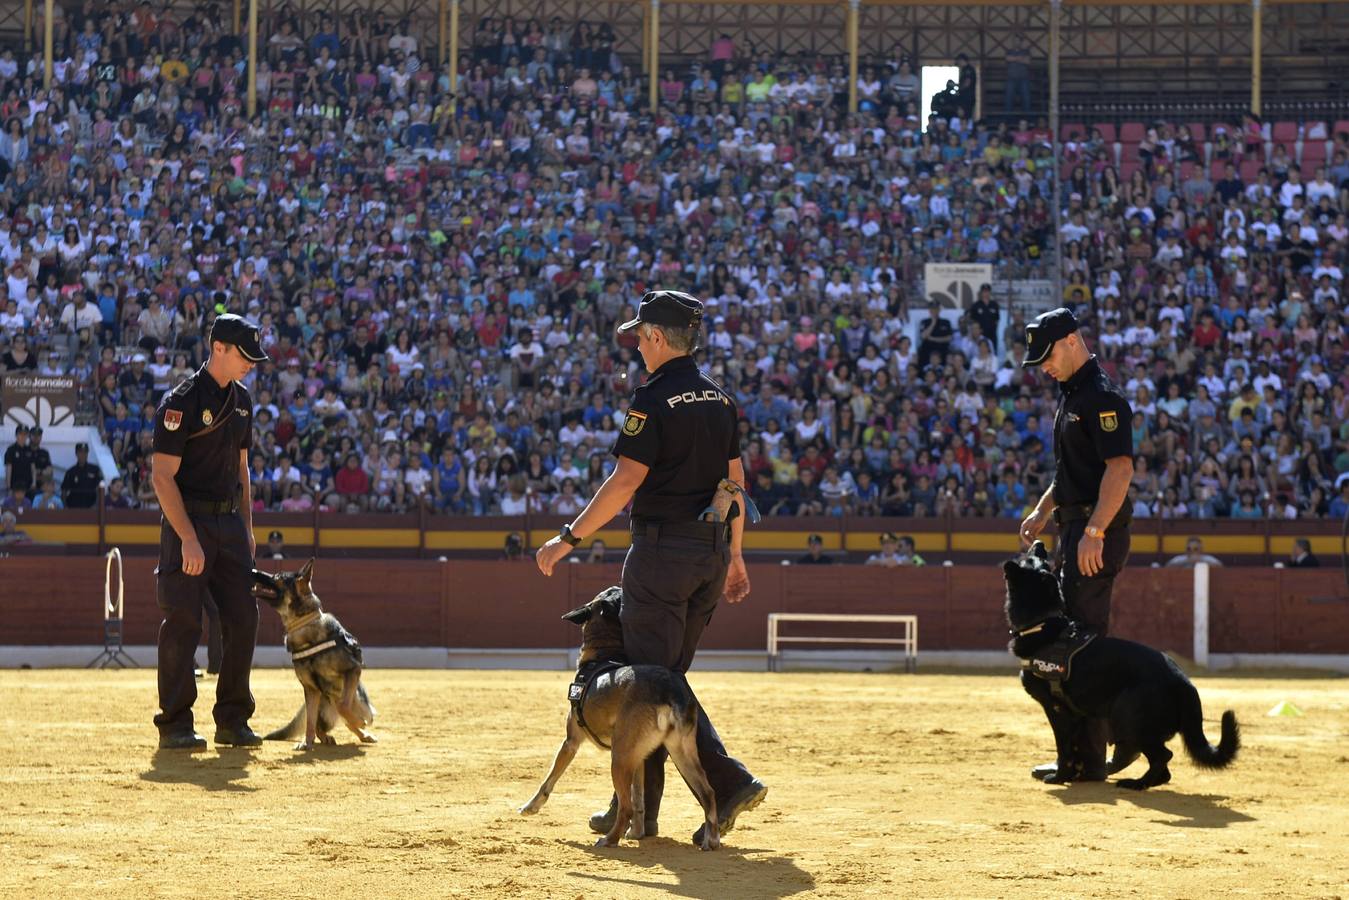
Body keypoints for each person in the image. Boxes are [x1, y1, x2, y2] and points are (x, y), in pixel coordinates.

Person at [534, 290, 766, 847]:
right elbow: (734, 484)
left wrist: (567, 539)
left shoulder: (653, 398)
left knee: (650, 680)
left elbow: (625, 483)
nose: (636, 344)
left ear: (658, 338)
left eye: (640, 335)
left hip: (664, 558)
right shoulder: (720, 400)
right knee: (661, 681)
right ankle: (639, 809)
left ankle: (724, 784)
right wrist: (734, 556)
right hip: (707, 558)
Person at [1018, 307, 1134, 784]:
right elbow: (1073, 472)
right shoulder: (1073, 395)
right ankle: (1087, 754)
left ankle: (1097, 754)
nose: (1043, 366)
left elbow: (1119, 469)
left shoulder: (1101, 397)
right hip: (1075, 527)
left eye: (1047, 356)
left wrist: (1095, 531)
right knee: (1074, 649)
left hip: (1092, 532)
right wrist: (1045, 510)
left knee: (1080, 649)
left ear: (1071, 341)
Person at [150, 314, 266, 751]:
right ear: (219, 348)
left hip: (229, 525)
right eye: (245, 355)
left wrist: (248, 529)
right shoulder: (180, 402)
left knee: (243, 617)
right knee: (183, 621)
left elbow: (242, 468)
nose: (251, 364)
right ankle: (175, 723)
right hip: (190, 522)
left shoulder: (242, 400)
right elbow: (163, 478)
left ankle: (233, 720)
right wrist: (188, 538)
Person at [61, 442, 102, 508]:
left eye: (85, 452)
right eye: (80, 452)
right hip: (73, 507)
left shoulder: (95, 470)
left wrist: (96, 505)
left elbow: (100, 489)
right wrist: (66, 507)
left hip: (91, 507)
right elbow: (64, 491)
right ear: (76, 454)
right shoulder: (70, 471)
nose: (83, 454)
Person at [4, 424, 36, 498]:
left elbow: (33, 468)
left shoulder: (30, 449)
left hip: (28, 486)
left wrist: (34, 483)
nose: (23, 436)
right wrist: (9, 487)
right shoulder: (11, 450)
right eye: (20, 434)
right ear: (16, 435)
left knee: (28, 507)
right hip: (15, 487)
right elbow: (8, 468)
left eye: (25, 434)